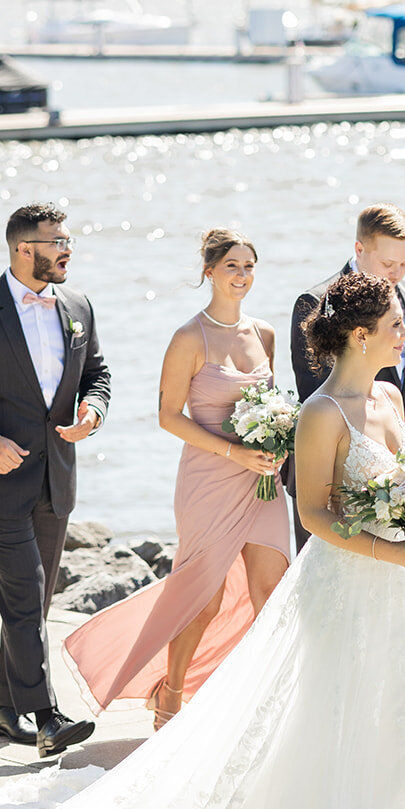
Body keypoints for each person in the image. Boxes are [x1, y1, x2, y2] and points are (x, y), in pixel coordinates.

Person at [0, 274, 405, 809]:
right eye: (395, 325)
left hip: (400, 592)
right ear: (361, 334)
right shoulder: (322, 413)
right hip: (349, 583)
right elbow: (318, 516)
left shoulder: (386, 397)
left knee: (398, 715)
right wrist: (394, 552)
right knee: (341, 715)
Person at [63, 230, 290, 730]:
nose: (242, 275)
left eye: (250, 266)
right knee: (203, 597)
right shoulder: (190, 336)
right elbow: (168, 415)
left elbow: (276, 406)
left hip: (264, 485)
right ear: (209, 271)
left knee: (272, 593)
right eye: (232, 265)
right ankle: (172, 690)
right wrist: (235, 450)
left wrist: (278, 440)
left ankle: (266, 701)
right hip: (210, 481)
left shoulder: (266, 335)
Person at [0, 204, 110, 760]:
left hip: (56, 480)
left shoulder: (78, 305)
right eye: (56, 240)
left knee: (30, 603)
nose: (67, 249)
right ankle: (47, 717)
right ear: (23, 249)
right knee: (24, 594)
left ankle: (2, 710)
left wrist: (93, 411)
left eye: (68, 239)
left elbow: (97, 374)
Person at [289, 203, 405, 550]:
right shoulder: (317, 302)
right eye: (388, 264)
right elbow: (319, 393)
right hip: (336, 489)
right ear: (360, 249)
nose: (397, 274)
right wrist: (376, 483)